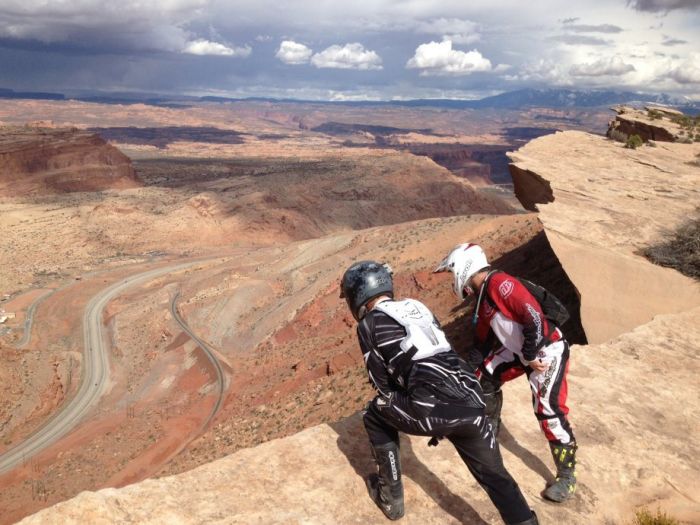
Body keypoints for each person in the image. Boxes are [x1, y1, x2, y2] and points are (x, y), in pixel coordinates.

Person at [340, 260, 538, 524]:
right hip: (471, 398)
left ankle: (392, 500)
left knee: (375, 412)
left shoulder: (368, 324)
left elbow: (382, 383)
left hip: (431, 408)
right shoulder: (418, 307)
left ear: (357, 295)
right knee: (495, 476)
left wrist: (417, 408)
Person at [434, 243, 577, 503]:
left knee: (548, 410)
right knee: (482, 376)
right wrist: (464, 375)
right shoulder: (483, 297)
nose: (452, 280)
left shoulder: (499, 283)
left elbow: (533, 315)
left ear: (464, 267)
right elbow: (482, 344)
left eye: (451, 272)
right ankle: (488, 433)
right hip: (523, 352)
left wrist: (532, 354)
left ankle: (567, 476)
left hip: (546, 350)